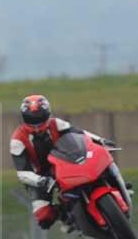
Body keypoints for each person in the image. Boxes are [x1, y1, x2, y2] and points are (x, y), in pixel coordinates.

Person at [10, 94, 115, 230]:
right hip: (39, 175)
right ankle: (66, 217)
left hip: (65, 161)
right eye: (31, 118)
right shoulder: (17, 140)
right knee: (44, 217)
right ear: (24, 118)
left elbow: (81, 134)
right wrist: (41, 180)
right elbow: (22, 172)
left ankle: (117, 183)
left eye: (40, 117)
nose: (36, 123)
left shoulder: (56, 123)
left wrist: (101, 140)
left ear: (47, 114)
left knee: (100, 159)